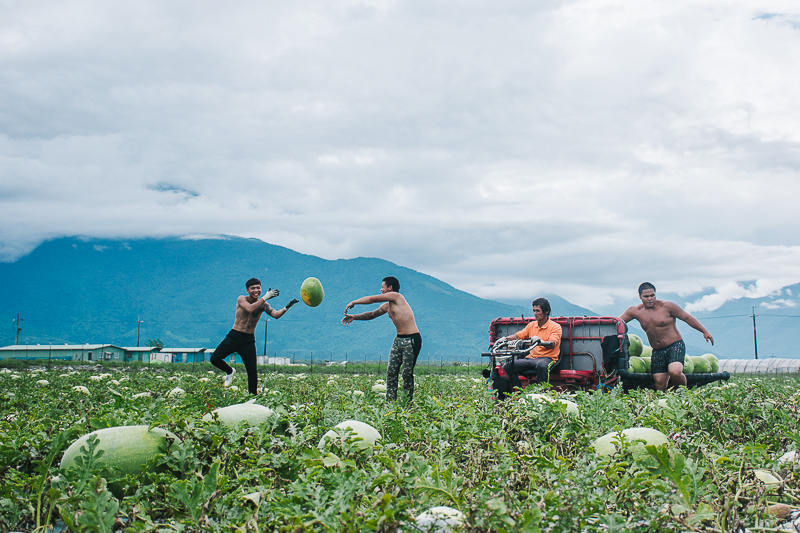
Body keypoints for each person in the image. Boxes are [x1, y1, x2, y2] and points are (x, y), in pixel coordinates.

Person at [619, 282, 714, 391]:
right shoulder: (634, 311)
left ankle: (684, 395)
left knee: (675, 372)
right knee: (659, 382)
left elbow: (687, 318)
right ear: (640, 297)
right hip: (657, 350)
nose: (650, 298)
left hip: (675, 346)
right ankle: (662, 403)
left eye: (652, 295)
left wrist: (704, 331)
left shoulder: (668, 306)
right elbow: (617, 322)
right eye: (646, 296)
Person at [210, 278, 298, 395]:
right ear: (247, 290)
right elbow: (250, 309)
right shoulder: (242, 299)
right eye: (253, 288)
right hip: (234, 336)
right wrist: (265, 297)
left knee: (252, 371)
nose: (256, 290)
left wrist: (286, 308)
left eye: (258, 288)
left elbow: (275, 315)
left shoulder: (263, 305)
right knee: (214, 358)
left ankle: (253, 397)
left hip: (248, 340)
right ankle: (230, 371)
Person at [341, 276, 422, 402]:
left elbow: (372, 299)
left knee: (406, 373)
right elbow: (371, 314)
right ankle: (390, 402)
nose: (380, 290)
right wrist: (354, 317)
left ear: (390, 288)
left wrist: (354, 302)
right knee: (391, 371)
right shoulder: (387, 306)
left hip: (411, 339)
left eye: (382, 287)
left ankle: (407, 403)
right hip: (398, 339)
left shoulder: (397, 297)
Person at [495, 297, 562, 389]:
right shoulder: (532, 325)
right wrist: (505, 339)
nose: (535, 314)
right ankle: (518, 391)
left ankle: (542, 393)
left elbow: (553, 343)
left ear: (546, 311)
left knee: (542, 366)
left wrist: (540, 342)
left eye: (538, 311)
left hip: (548, 358)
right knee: (508, 366)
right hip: (531, 358)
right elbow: (519, 335)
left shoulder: (555, 327)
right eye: (534, 311)